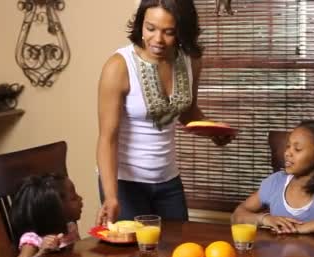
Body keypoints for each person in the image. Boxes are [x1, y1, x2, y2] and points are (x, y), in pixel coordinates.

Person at [95, 0, 231, 225]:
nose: (157, 40)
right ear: (141, 24)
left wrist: (213, 130)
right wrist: (111, 196)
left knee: (177, 255)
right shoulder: (119, 66)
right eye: (150, 28)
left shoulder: (191, 60)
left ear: (182, 31)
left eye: (169, 32)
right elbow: (107, 138)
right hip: (125, 183)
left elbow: (188, 112)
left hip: (168, 181)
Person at [10, 173, 83, 257]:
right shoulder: (33, 239)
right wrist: (42, 253)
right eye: (74, 198)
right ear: (54, 209)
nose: (81, 198)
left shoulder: (71, 228)